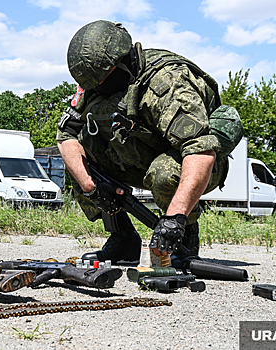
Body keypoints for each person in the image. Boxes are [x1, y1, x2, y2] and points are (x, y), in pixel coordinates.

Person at [56, 20, 243, 267]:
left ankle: (185, 237)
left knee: (163, 172)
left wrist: (174, 218)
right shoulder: (96, 78)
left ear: (122, 61)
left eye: (102, 81)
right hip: (140, 155)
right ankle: (123, 240)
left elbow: (201, 150)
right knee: (79, 162)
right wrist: (93, 188)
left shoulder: (168, 84)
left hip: (199, 163)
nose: (97, 88)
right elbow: (66, 135)